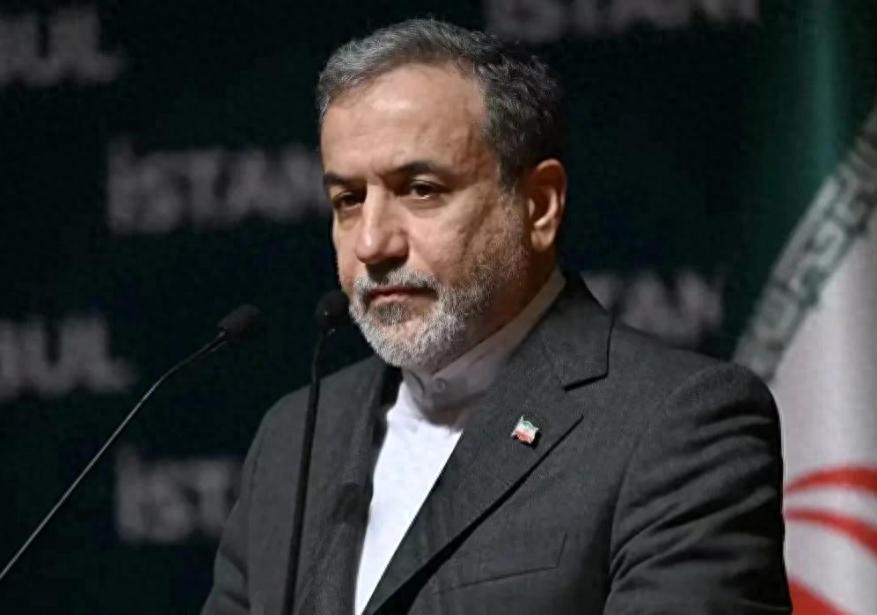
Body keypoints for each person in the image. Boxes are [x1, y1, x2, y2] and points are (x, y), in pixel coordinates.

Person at [202, 18, 790, 615]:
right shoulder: (294, 437)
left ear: (539, 206)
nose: (373, 243)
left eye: (421, 188)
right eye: (349, 200)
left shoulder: (678, 422)